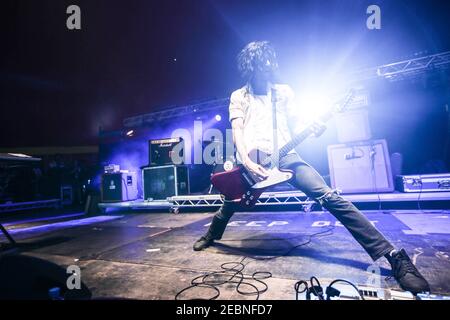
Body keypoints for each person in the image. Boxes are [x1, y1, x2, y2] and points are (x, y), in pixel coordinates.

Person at [193, 41, 430, 295]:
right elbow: (237, 131)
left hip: (286, 157)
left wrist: (315, 127)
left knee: (329, 196)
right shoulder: (238, 96)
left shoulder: (283, 92)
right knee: (231, 203)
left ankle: (392, 256)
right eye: (259, 68)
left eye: (267, 66)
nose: (264, 72)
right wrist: (248, 162)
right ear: (250, 68)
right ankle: (212, 235)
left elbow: (298, 123)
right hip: (252, 160)